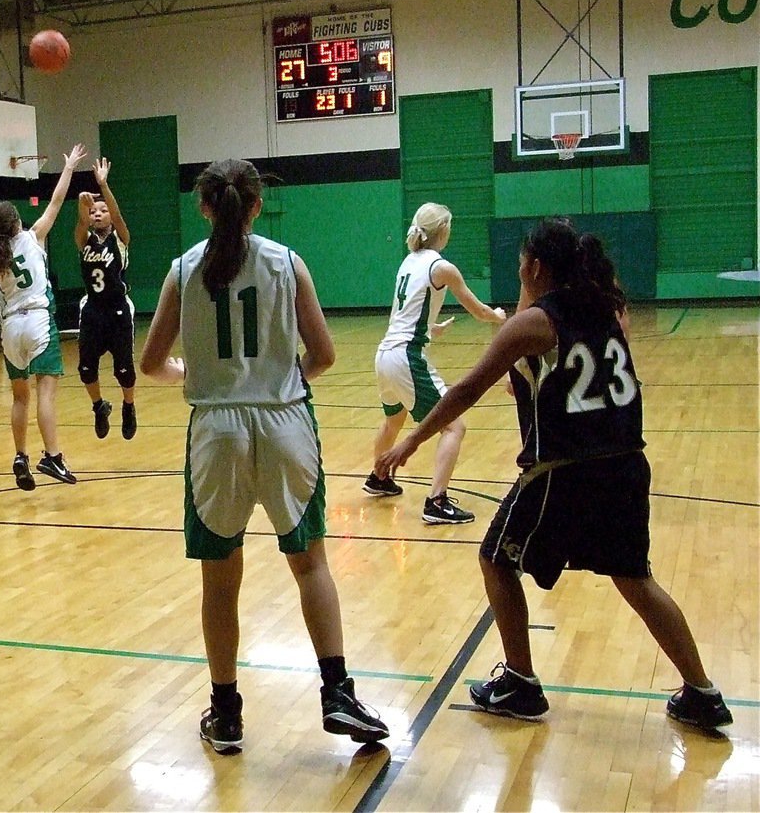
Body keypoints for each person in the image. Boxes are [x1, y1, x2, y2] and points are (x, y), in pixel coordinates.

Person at [375, 217, 734, 731]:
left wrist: (413, 438)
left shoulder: (534, 324)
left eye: (523, 261)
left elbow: (468, 389)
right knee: (636, 578)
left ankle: (520, 682)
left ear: (536, 266)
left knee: (496, 559)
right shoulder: (608, 309)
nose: (518, 267)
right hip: (626, 464)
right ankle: (703, 692)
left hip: (565, 470)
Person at [138, 158, 389, 755]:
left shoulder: (181, 270)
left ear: (204, 207)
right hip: (285, 422)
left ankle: (226, 713)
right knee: (311, 566)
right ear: (256, 206)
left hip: (216, 430)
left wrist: (192, 375)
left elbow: (150, 363)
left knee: (220, 582)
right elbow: (323, 354)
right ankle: (338, 694)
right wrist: (282, 380)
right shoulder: (286, 262)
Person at [364, 202, 505, 524]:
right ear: (444, 231)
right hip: (405, 357)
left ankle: (379, 477)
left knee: (393, 421)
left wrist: (430, 328)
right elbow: (478, 310)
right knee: (454, 425)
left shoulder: (408, 262)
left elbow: (404, 314)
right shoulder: (442, 267)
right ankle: (436, 502)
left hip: (385, 353)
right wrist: (496, 316)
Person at [0, 143, 86, 490]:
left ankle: (20, 456)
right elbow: (57, 202)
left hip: (10, 328)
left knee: (19, 397)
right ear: (16, 222)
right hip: (38, 322)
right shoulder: (33, 237)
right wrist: (70, 168)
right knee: (46, 393)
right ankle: (53, 457)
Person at [74, 157, 138, 440]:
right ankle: (99, 406)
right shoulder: (84, 240)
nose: (98, 214)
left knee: (123, 370)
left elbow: (118, 214)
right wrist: (82, 204)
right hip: (93, 310)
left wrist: (103, 185)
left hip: (118, 310)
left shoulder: (120, 238)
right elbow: (80, 223)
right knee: (86, 370)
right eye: (94, 211)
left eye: (102, 211)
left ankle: (128, 406)